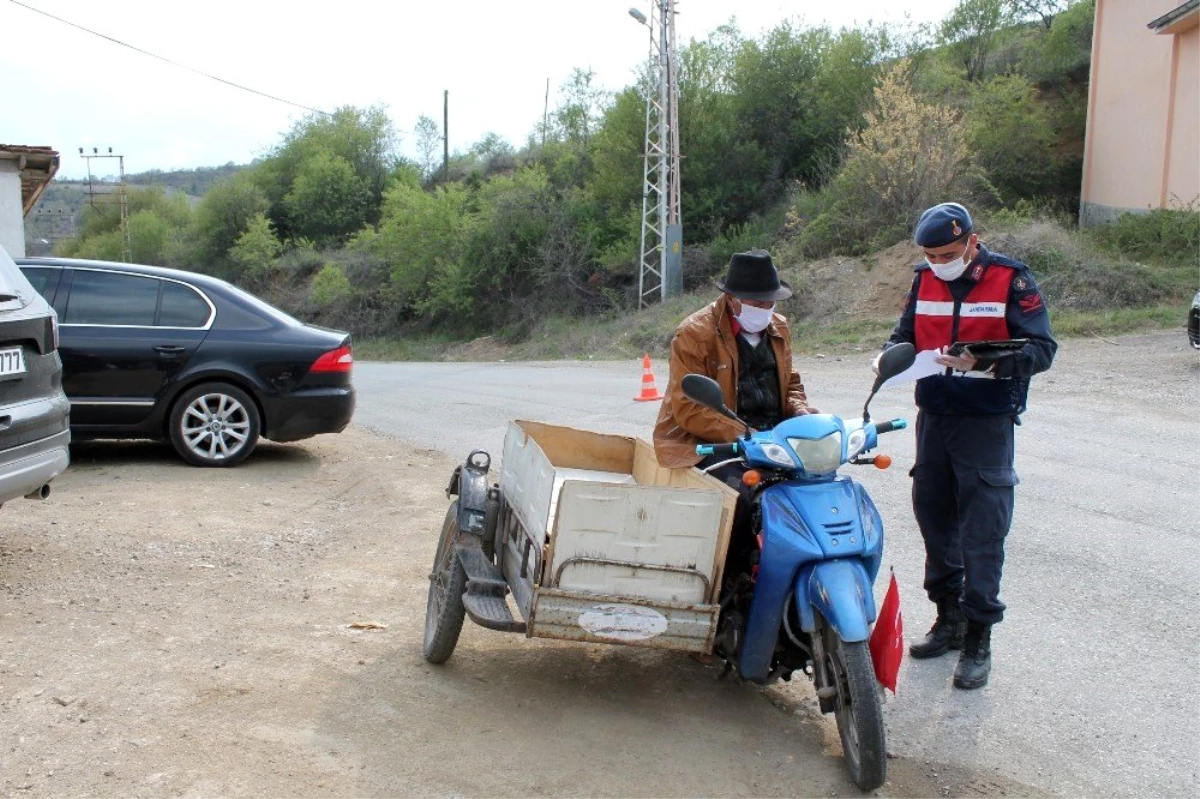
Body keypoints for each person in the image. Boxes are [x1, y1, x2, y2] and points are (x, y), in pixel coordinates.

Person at [878, 202, 1056, 690]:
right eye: (931, 255)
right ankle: (948, 618)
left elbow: (1042, 350)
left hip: (985, 422)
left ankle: (979, 637)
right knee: (934, 520)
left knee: (983, 531)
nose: (939, 263)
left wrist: (982, 363)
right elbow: (905, 335)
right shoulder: (924, 280)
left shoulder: (1010, 280)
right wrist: (890, 358)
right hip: (934, 418)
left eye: (948, 253)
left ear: (972, 243)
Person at [654, 249, 818, 578]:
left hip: (773, 438)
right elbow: (688, 408)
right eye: (756, 303)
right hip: (707, 443)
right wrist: (746, 436)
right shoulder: (694, 334)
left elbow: (791, 382)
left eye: (769, 303)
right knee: (745, 497)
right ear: (732, 299)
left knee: (819, 487)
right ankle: (729, 584)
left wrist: (801, 410)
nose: (764, 310)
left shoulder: (779, 327)